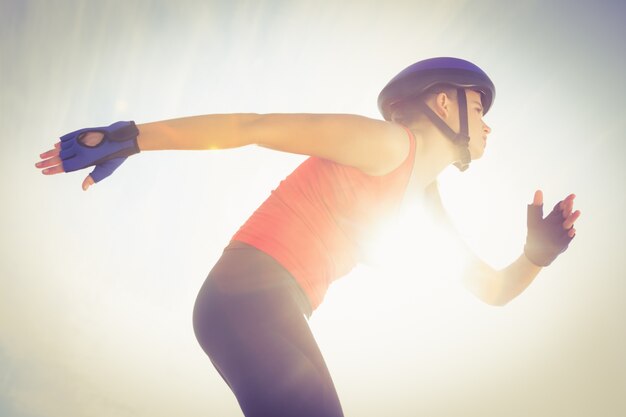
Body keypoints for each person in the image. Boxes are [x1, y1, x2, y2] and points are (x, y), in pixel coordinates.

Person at [35, 57, 580, 417]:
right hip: (247, 296)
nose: (487, 126)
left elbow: (492, 289)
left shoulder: (422, 199)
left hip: (277, 307)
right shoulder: (386, 144)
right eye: (479, 108)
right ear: (444, 105)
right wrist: (129, 137)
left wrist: (537, 255)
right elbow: (254, 127)